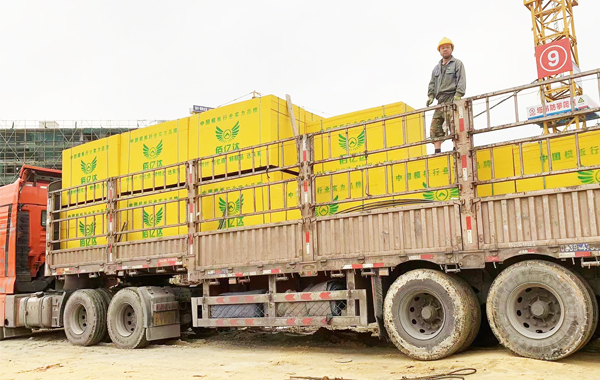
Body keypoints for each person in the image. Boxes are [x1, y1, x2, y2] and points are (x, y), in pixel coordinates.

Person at [427, 37, 466, 153]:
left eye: (447, 47)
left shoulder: (457, 64)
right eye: (442, 48)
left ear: (451, 49)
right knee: (435, 126)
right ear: (439, 51)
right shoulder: (436, 69)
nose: (445, 50)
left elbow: (461, 79)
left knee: (454, 124)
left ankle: (456, 148)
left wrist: (458, 94)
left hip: (452, 97)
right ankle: (437, 151)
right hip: (440, 100)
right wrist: (430, 96)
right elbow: (432, 83)